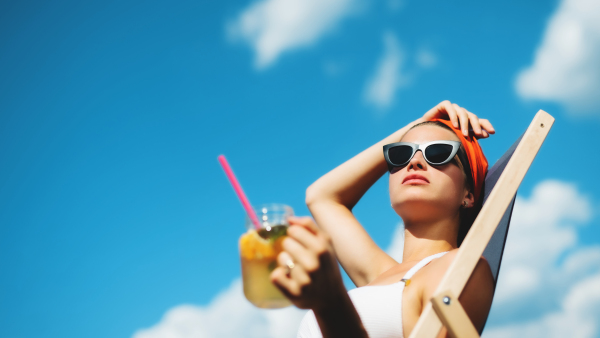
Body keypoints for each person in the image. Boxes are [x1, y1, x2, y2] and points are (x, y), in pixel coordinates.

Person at [270, 101, 496, 338]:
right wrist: (416, 125)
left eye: (438, 152)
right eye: (401, 153)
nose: (415, 162)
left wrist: (331, 303)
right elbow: (321, 197)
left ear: (468, 195)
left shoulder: (462, 267)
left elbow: (322, 198)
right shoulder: (380, 276)